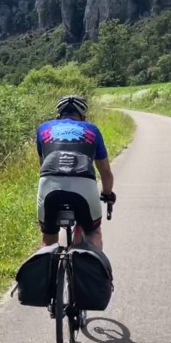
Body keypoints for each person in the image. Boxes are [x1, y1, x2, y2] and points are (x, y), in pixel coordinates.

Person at [36, 95, 116, 251]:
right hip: (83, 185)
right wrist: (107, 194)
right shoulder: (92, 130)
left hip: (50, 185)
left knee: (48, 238)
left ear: (58, 116)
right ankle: (93, 273)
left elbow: (42, 166)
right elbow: (106, 172)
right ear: (83, 117)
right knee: (93, 233)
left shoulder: (43, 129)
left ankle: (46, 269)